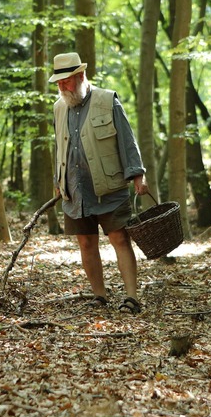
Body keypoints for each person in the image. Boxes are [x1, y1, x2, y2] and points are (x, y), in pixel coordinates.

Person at [49, 52, 149, 314]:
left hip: (109, 185)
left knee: (118, 237)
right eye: (58, 83)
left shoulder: (108, 100)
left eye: (66, 82)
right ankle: (99, 296)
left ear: (80, 76)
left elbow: (127, 140)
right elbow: (58, 147)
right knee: (85, 242)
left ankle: (131, 298)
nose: (62, 87)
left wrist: (138, 174)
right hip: (75, 187)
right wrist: (57, 182)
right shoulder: (59, 108)